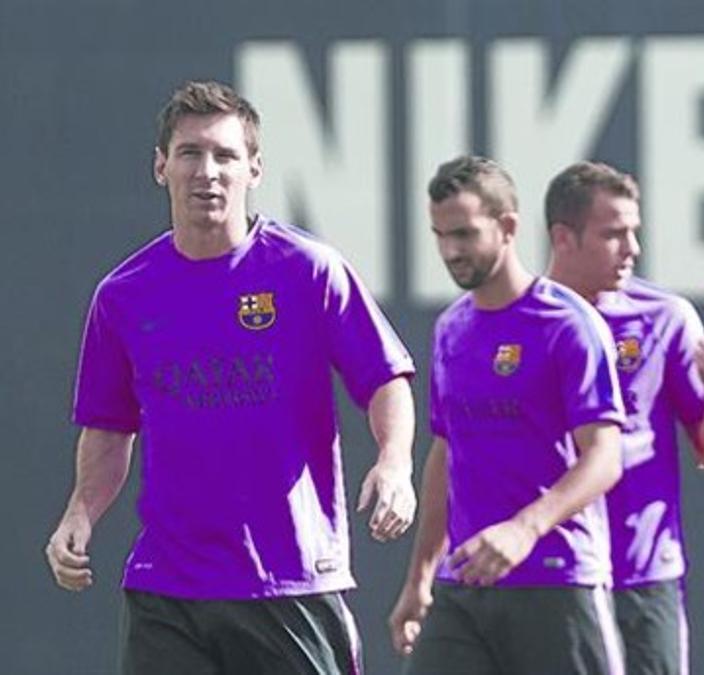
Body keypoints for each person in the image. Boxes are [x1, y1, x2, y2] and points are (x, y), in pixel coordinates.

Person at [44, 80, 418, 674]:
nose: (207, 172)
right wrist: (80, 512)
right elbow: (110, 428)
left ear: (255, 169)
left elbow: (385, 379)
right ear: (160, 167)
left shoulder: (308, 271)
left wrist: (395, 463)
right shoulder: (123, 295)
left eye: (225, 155)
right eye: (190, 153)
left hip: (290, 580)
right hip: (169, 590)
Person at [388, 155, 627, 674]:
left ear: (508, 226)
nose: (451, 250)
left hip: (555, 580)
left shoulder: (567, 324)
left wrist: (523, 530)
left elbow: (605, 458)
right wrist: (419, 577)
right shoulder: (452, 328)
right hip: (464, 585)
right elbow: (445, 452)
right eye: (440, 235)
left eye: (465, 234)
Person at [542, 161, 704, 674]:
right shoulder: (521, 321)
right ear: (563, 238)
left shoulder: (664, 317)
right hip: (548, 578)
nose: (632, 248)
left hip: (644, 576)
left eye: (635, 231)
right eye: (613, 234)